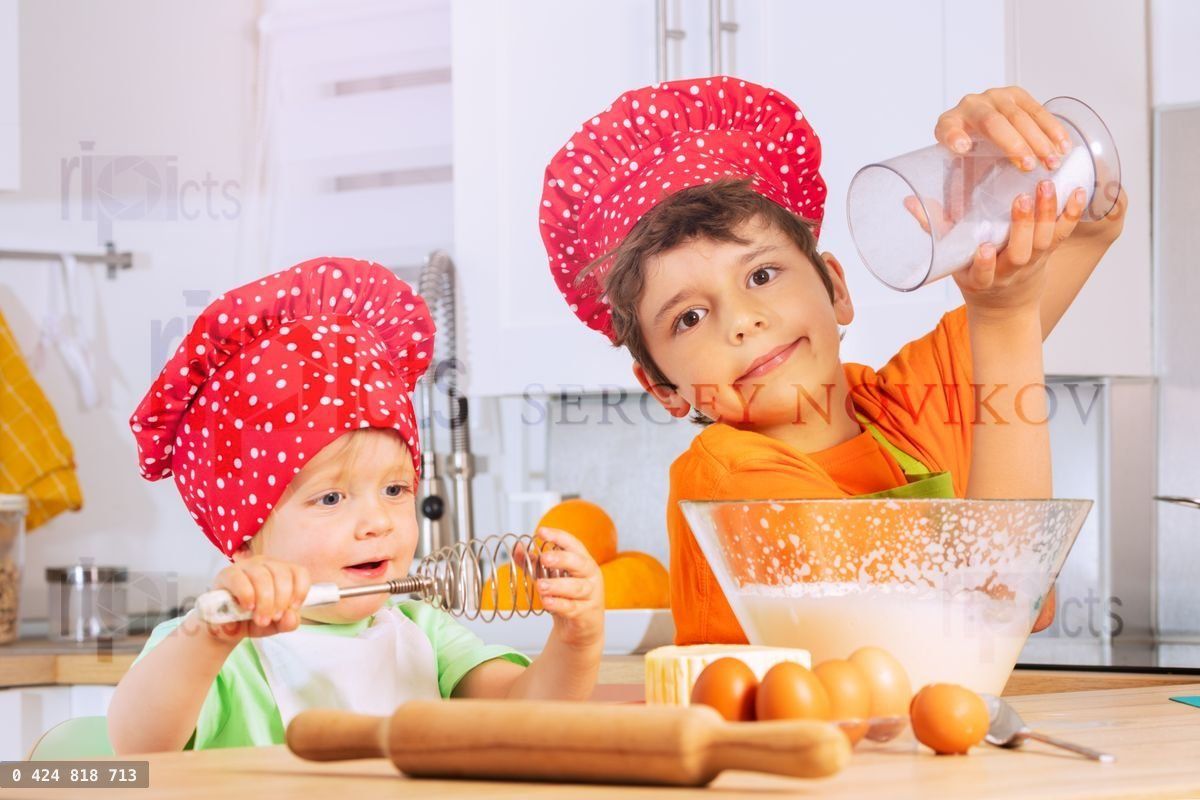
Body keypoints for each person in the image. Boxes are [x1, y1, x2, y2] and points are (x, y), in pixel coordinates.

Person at [538, 77, 1126, 645]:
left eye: (761, 275)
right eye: (688, 317)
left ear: (836, 290)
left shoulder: (896, 411)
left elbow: (1091, 217)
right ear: (662, 387)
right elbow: (986, 617)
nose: (742, 320)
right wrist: (1002, 318)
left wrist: (1013, 167)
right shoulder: (732, 481)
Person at [109, 258, 604, 753]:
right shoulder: (216, 646)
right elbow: (138, 747)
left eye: (395, 490)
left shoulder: (423, 633)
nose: (377, 522)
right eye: (331, 497)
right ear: (244, 537)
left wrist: (575, 643)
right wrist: (210, 638)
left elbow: (524, 722)